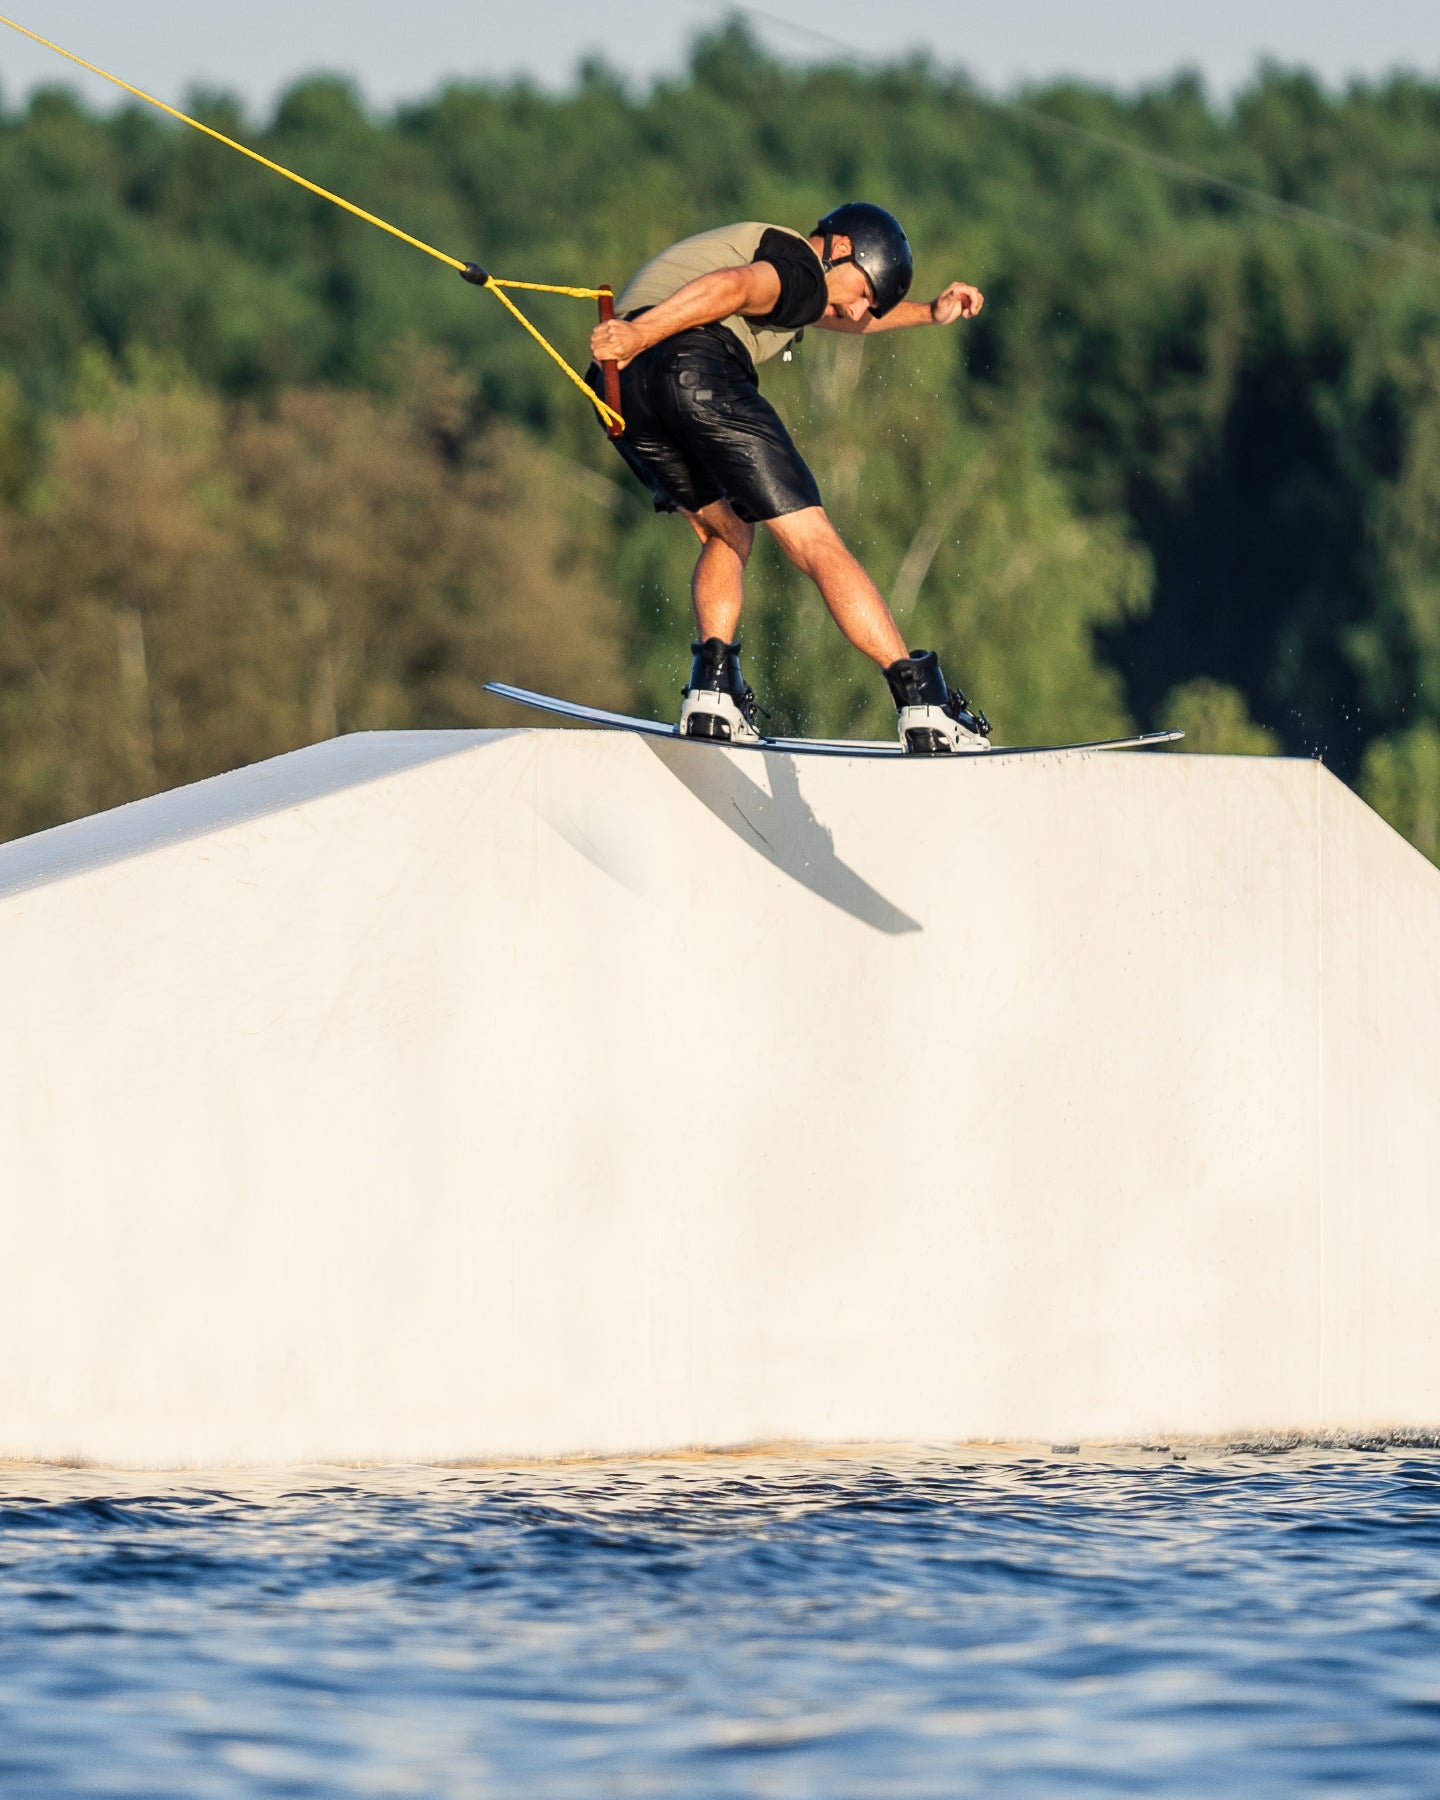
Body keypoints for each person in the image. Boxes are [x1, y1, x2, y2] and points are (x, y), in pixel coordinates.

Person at [588, 203, 989, 753]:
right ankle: (921, 700)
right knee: (814, 540)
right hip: (691, 367)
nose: (856, 310)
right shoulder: (798, 262)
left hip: (622, 392)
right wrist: (639, 334)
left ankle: (712, 690)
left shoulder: (799, 282)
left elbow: (832, 314)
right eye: (864, 291)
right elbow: (732, 286)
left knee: (727, 531)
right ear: (841, 247)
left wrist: (928, 313)